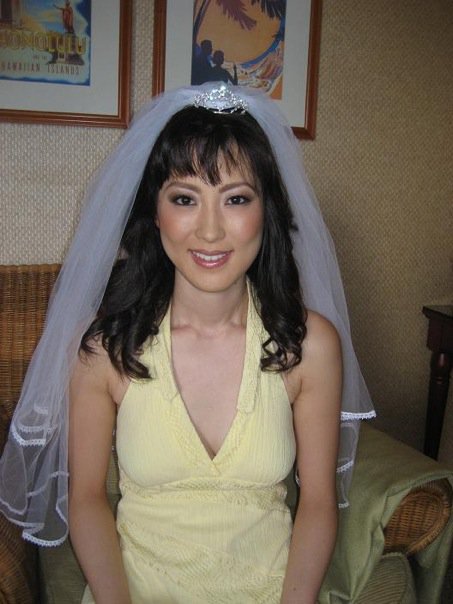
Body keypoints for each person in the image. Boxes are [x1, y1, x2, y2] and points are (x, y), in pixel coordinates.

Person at [0, 84, 375, 603]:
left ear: (266, 210)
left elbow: (317, 502)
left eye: (236, 199)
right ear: (155, 213)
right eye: (184, 199)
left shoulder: (310, 347)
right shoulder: (103, 351)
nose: (210, 230)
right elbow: (85, 500)